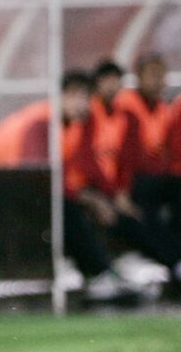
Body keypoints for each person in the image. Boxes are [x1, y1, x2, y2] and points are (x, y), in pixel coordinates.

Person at [63, 69, 181, 300]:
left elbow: (126, 159)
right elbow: (85, 161)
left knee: (142, 213)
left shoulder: (123, 116)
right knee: (124, 219)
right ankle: (103, 274)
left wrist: (119, 192)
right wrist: (104, 196)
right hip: (85, 191)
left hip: (104, 190)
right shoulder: (81, 120)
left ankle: (173, 262)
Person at [115, 53, 181, 241]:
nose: (159, 81)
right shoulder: (127, 104)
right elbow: (126, 152)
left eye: (162, 75)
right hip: (132, 178)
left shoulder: (162, 107)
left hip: (154, 175)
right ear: (139, 76)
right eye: (153, 74)